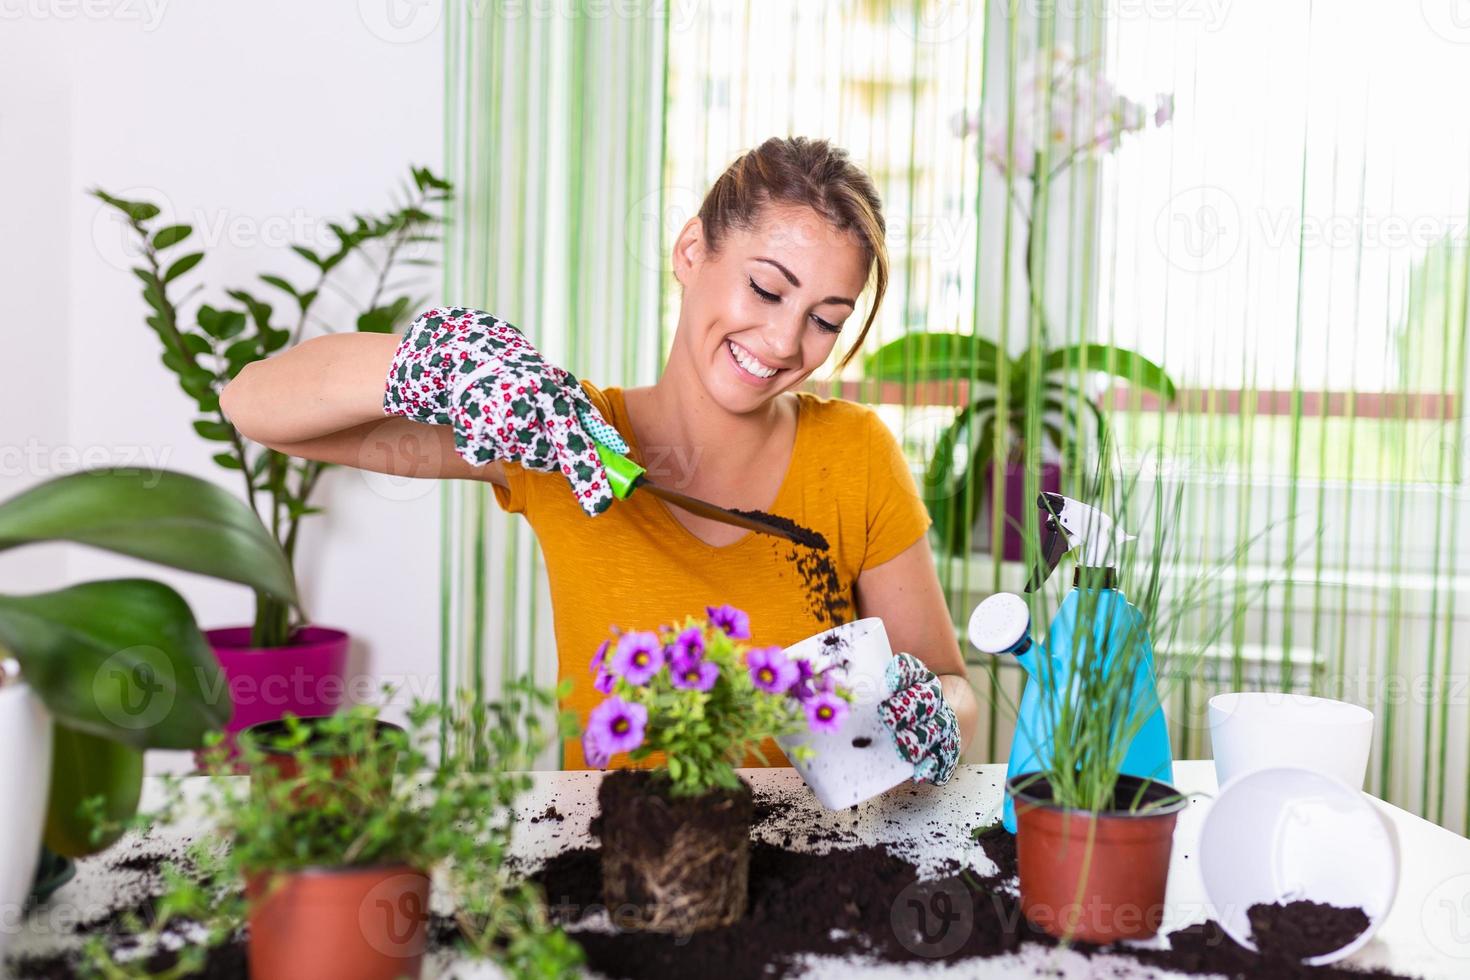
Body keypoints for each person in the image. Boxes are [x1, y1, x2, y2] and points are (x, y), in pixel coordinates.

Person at [221, 136, 977, 783]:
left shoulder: (854, 453)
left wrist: (934, 713)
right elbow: (253, 406)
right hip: (617, 871)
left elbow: (948, 681)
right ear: (691, 251)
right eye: (765, 289)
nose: (784, 344)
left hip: (816, 872)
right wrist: (442, 362)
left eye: (823, 320)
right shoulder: (560, 436)